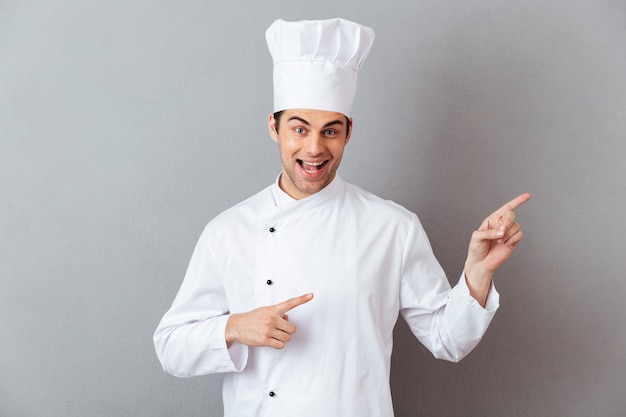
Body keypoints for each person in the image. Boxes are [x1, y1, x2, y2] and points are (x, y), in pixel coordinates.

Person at [154, 18, 530, 417]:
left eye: (330, 131)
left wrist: (477, 274)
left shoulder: (392, 228)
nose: (314, 148)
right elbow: (171, 349)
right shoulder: (228, 231)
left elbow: (448, 340)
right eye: (299, 129)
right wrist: (233, 328)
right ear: (274, 128)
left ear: (348, 132)